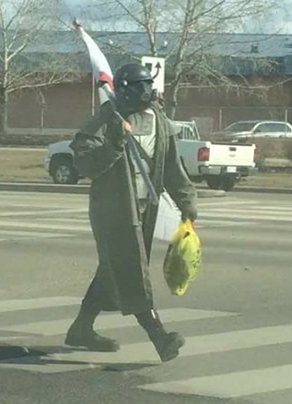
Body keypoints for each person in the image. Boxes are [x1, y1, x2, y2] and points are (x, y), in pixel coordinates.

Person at [65, 63, 198, 362]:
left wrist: (188, 202)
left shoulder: (160, 121)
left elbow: (173, 168)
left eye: (147, 85)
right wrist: (115, 141)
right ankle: (160, 337)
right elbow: (84, 164)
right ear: (122, 89)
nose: (144, 92)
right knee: (132, 272)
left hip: (144, 210)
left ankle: (81, 328)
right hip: (113, 211)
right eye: (138, 86)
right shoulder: (106, 119)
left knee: (114, 269)